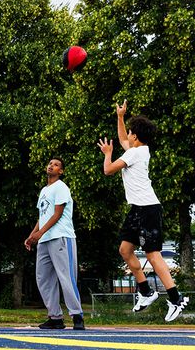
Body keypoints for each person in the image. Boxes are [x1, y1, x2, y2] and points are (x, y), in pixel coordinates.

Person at [97, 99, 188, 322]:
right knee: (125, 250)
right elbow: (122, 140)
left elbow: (108, 170)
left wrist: (108, 153)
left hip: (147, 209)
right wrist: (120, 117)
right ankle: (146, 291)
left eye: (129, 132)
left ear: (135, 137)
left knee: (153, 255)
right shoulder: (140, 151)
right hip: (138, 209)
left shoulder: (134, 154)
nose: (126, 136)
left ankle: (177, 299)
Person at [24, 158, 85, 330]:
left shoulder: (61, 187)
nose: (51, 165)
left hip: (61, 237)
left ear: (61, 171)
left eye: (56, 165)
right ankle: (55, 317)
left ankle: (77, 315)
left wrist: (40, 233)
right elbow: (42, 216)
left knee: (66, 277)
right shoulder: (44, 190)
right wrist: (32, 236)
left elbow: (57, 214)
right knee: (43, 278)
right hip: (44, 240)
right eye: (50, 163)